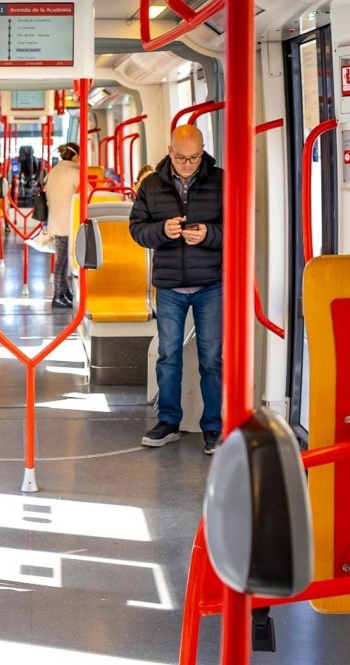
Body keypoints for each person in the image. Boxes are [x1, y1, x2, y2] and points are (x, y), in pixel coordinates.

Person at [128, 124, 224, 455]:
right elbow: (136, 230)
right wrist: (161, 230)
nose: (187, 164)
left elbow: (237, 228)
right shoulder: (151, 185)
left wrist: (209, 234)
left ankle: (213, 426)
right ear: (170, 152)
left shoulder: (221, 181)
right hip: (169, 286)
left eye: (194, 158)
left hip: (210, 283)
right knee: (169, 356)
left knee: (212, 359)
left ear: (203, 152)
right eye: (181, 158)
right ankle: (168, 421)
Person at [44, 142, 81, 308]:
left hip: (56, 220)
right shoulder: (75, 172)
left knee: (62, 259)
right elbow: (86, 191)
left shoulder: (54, 171)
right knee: (63, 261)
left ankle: (64, 291)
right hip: (69, 221)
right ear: (76, 157)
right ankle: (58, 295)